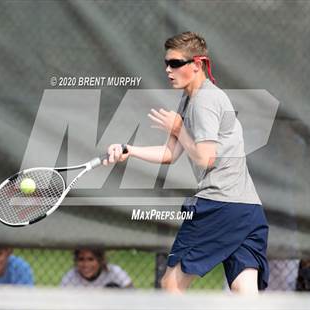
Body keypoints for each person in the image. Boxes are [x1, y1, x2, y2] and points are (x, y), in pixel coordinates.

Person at [104, 31, 269, 294]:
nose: (168, 70)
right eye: (166, 63)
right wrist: (130, 150)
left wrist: (179, 128)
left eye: (176, 63)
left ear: (197, 64)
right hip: (248, 210)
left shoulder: (203, 101)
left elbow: (205, 158)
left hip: (219, 205)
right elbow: (170, 154)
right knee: (245, 294)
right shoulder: (191, 99)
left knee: (171, 284)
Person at [60, 248, 133, 288]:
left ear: (100, 260)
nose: (86, 264)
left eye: (91, 259)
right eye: (81, 259)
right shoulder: (71, 276)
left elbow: (132, 294)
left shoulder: (114, 272)